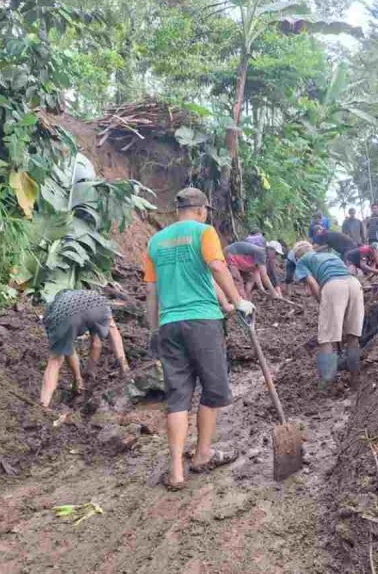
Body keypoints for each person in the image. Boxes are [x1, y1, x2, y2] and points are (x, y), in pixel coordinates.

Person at [143, 188, 255, 491]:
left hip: (169, 325)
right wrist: (239, 300)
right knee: (214, 388)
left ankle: (176, 469)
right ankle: (203, 454)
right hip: (203, 323)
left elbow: (152, 292)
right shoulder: (204, 232)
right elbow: (217, 268)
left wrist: (154, 330)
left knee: (178, 396)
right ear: (202, 210)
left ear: (178, 210)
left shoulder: (155, 241)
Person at [292, 241, 364, 389]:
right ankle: (355, 380)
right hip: (354, 284)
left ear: (298, 256)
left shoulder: (302, 262)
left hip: (333, 286)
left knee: (326, 338)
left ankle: (327, 384)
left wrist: (322, 301)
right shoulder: (331, 256)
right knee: (352, 335)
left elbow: (312, 284)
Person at [40, 289, 129, 407]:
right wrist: (90, 373)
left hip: (65, 317)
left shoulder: (52, 311)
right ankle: (126, 369)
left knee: (55, 360)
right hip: (95, 306)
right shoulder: (89, 296)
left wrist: (77, 378)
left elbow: (68, 349)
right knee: (112, 329)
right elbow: (96, 344)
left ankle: (43, 404)